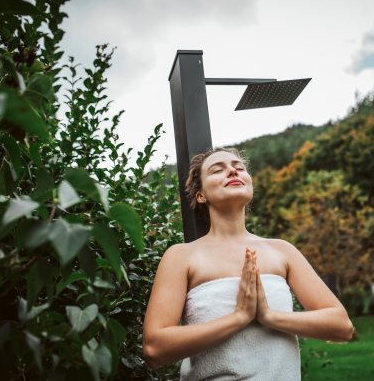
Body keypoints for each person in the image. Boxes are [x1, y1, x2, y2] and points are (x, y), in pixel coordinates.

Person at [142, 147, 353, 380]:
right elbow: (154, 349)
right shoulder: (181, 256)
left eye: (239, 167)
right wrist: (239, 317)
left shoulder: (282, 250)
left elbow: (341, 326)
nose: (233, 171)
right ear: (200, 195)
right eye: (217, 170)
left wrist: (269, 316)